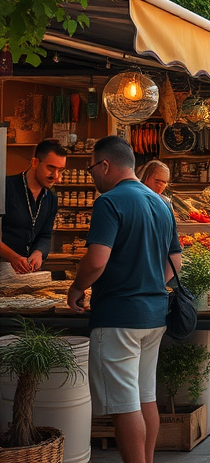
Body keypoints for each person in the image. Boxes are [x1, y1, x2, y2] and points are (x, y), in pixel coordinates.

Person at [66, 135, 180, 463]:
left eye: (92, 170)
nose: (92, 177)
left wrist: (77, 288)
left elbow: (97, 260)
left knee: (123, 405)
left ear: (105, 165)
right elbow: (175, 262)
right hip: (154, 314)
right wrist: (147, 285)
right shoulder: (161, 203)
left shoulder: (109, 202)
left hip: (118, 317)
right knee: (145, 397)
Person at [1, 138, 65, 274]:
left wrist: (39, 252)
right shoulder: (5, 188)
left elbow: (45, 235)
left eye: (60, 170)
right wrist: (13, 257)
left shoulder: (51, 198)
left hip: (26, 275)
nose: (57, 177)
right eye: (51, 168)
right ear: (35, 162)